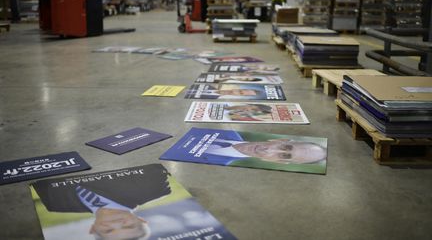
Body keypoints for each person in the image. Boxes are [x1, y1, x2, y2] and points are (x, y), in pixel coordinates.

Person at [32, 164, 171, 240]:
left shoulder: (55, 204)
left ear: (93, 229)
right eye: (128, 226)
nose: (115, 222)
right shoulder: (155, 189)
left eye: (108, 230)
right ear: (141, 220)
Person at [203, 130, 326, 165]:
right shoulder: (227, 132)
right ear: (279, 140)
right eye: (285, 147)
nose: (269, 150)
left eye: (283, 155)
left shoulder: (222, 163)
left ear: (279, 162)